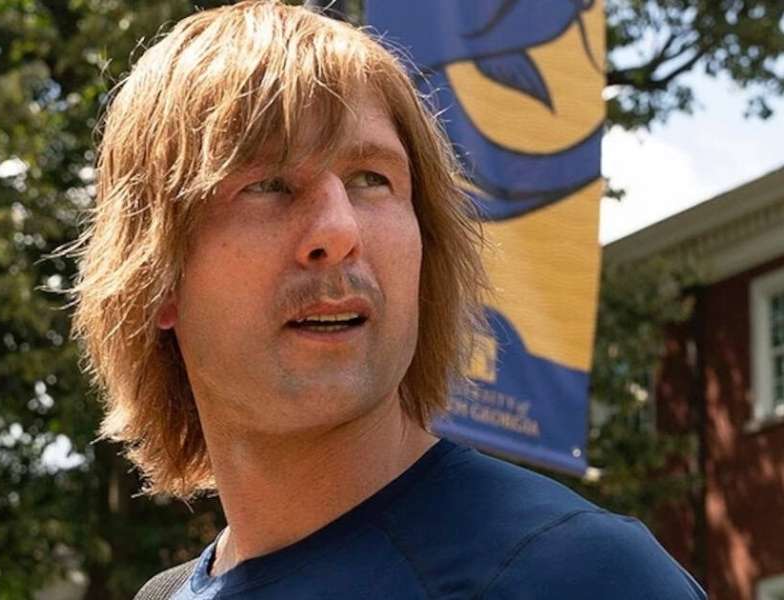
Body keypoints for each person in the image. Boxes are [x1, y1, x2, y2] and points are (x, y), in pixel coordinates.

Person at [71, 2, 707, 598]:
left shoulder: (578, 575)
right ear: (153, 275)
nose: (338, 230)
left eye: (371, 179)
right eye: (267, 184)